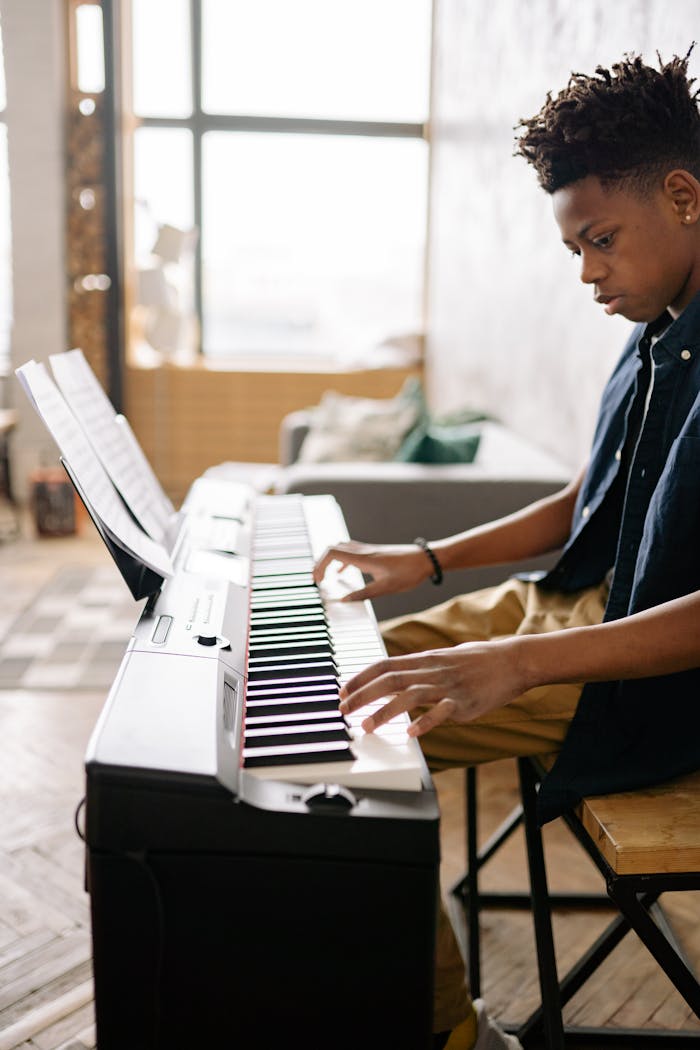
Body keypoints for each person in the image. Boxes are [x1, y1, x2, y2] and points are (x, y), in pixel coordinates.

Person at [313, 48, 700, 1050]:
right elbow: (590, 495)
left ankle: (453, 1032)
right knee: (329, 684)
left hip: (634, 675)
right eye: (577, 247)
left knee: (354, 762)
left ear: (683, 195)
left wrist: (514, 663)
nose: (586, 272)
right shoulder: (659, 322)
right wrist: (427, 559)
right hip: (558, 613)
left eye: (600, 240)